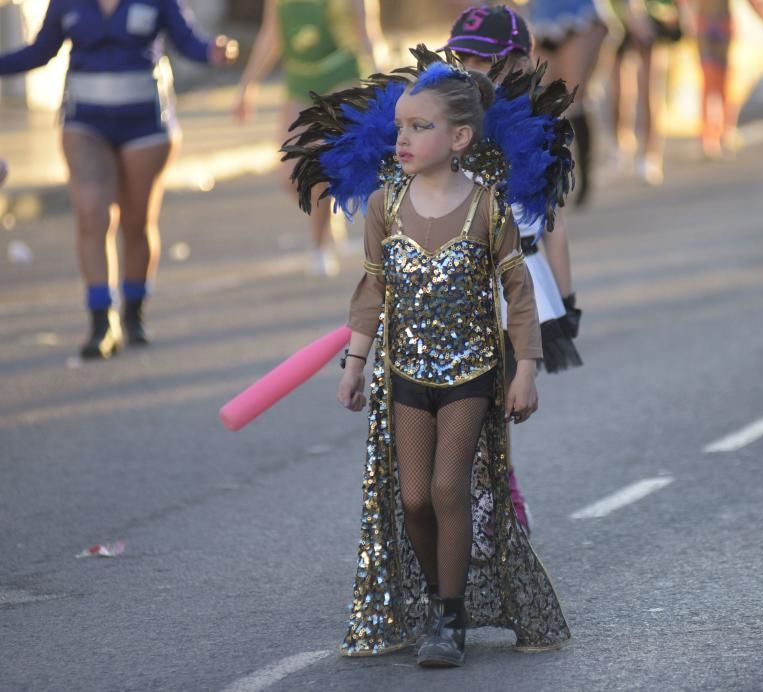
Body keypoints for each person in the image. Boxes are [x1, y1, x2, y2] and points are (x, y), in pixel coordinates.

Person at [284, 47, 573, 666]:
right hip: (405, 375)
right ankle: (437, 594)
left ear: (461, 136)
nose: (404, 140)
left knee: (449, 488)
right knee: (413, 497)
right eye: (400, 129)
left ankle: (450, 619)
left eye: (421, 127)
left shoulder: (486, 207)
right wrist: (355, 364)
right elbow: (372, 292)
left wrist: (525, 371)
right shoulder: (387, 208)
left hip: (472, 374)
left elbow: (517, 296)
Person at [0, 0, 237, 359]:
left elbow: (188, 42)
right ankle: (101, 322)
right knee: (93, 214)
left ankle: (134, 312)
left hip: (145, 124)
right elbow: (40, 51)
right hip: (85, 124)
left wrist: (214, 51)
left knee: (136, 221)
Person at [442, 4, 584, 534]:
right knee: (454, 415)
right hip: (451, 284)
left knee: (483, 414)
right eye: (461, 55)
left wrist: (566, 303)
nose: (470, 67)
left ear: (517, 60)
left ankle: (505, 514)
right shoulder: (445, 119)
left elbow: (554, 226)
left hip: (516, 284)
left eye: (484, 58)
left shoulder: (542, 125)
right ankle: (486, 512)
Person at [233, 0, 383, 277]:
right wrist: (247, 86)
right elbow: (272, 35)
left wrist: (382, 86)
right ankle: (327, 214)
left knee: (320, 155)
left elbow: (367, 33)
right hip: (300, 81)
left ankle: (320, 246)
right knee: (291, 175)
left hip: (341, 73)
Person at [523, 0, 612, 205]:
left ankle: (585, 175)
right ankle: (546, 177)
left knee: (575, 96)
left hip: (580, 17)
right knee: (541, 101)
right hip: (540, 20)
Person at [608, 0, 683, 183]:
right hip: (617, 18)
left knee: (650, 91)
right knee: (619, 91)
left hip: (655, 16)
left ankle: (650, 155)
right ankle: (621, 144)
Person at [694, 0, 763, 158]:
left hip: (723, 25)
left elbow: (754, 3)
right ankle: (710, 134)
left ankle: (725, 130)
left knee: (725, 81)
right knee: (709, 78)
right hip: (706, 25)